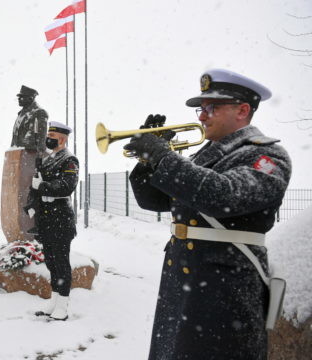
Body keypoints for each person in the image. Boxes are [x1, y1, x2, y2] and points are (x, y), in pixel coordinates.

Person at [123, 69, 291, 359]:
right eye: (202, 108)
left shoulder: (268, 156)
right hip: (184, 279)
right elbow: (153, 201)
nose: (202, 116)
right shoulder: (204, 155)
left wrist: (165, 157)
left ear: (242, 110)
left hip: (225, 286)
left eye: (212, 107)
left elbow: (223, 195)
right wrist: (148, 162)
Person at [27, 121, 79, 321]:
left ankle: (63, 305)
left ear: (63, 139)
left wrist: (43, 186)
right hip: (46, 218)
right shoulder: (48, 159)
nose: (49, 138)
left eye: (53, 135)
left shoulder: (69, 159)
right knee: (50, 261)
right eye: (48, 134)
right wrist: (32, 204)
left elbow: (67, 186)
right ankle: (54, 299)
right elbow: (36, 187)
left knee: (61, 262)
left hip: (60, 217)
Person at [10, 85, 49, 155]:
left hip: (30, 156)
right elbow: (15, 140)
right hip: (18, 156)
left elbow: (39, 139)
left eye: (21, 97)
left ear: (30, 99)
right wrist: (13, 150)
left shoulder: (39, 113)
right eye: (18, 97)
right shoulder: (21, 114)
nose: (19, 99)